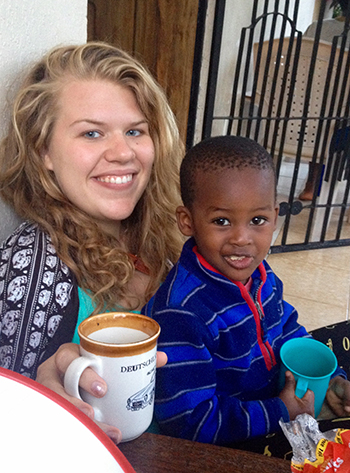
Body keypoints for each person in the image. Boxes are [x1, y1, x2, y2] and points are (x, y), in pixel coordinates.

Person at [0, 41, 184, 442]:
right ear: (43, 150)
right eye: (92, 133)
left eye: (135, 130)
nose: (122, 152)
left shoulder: (164, 237)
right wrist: (36, 398)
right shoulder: (32, 267)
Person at [142, 135, 350, 454]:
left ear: (275, 216)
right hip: (236, 433)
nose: (242, 238)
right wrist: (280, 411)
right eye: (222, 221)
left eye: (257, 220)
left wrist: (328, 380)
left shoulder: (263, 278)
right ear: (187, 220)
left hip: (274, 397)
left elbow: (287, 331)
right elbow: (190, 422)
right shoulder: (183, 311)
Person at [299, 0, 350, 200]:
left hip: (305, 111)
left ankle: (312, 183)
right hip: (341, 119)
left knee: (321, 114)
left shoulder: (317, 28)